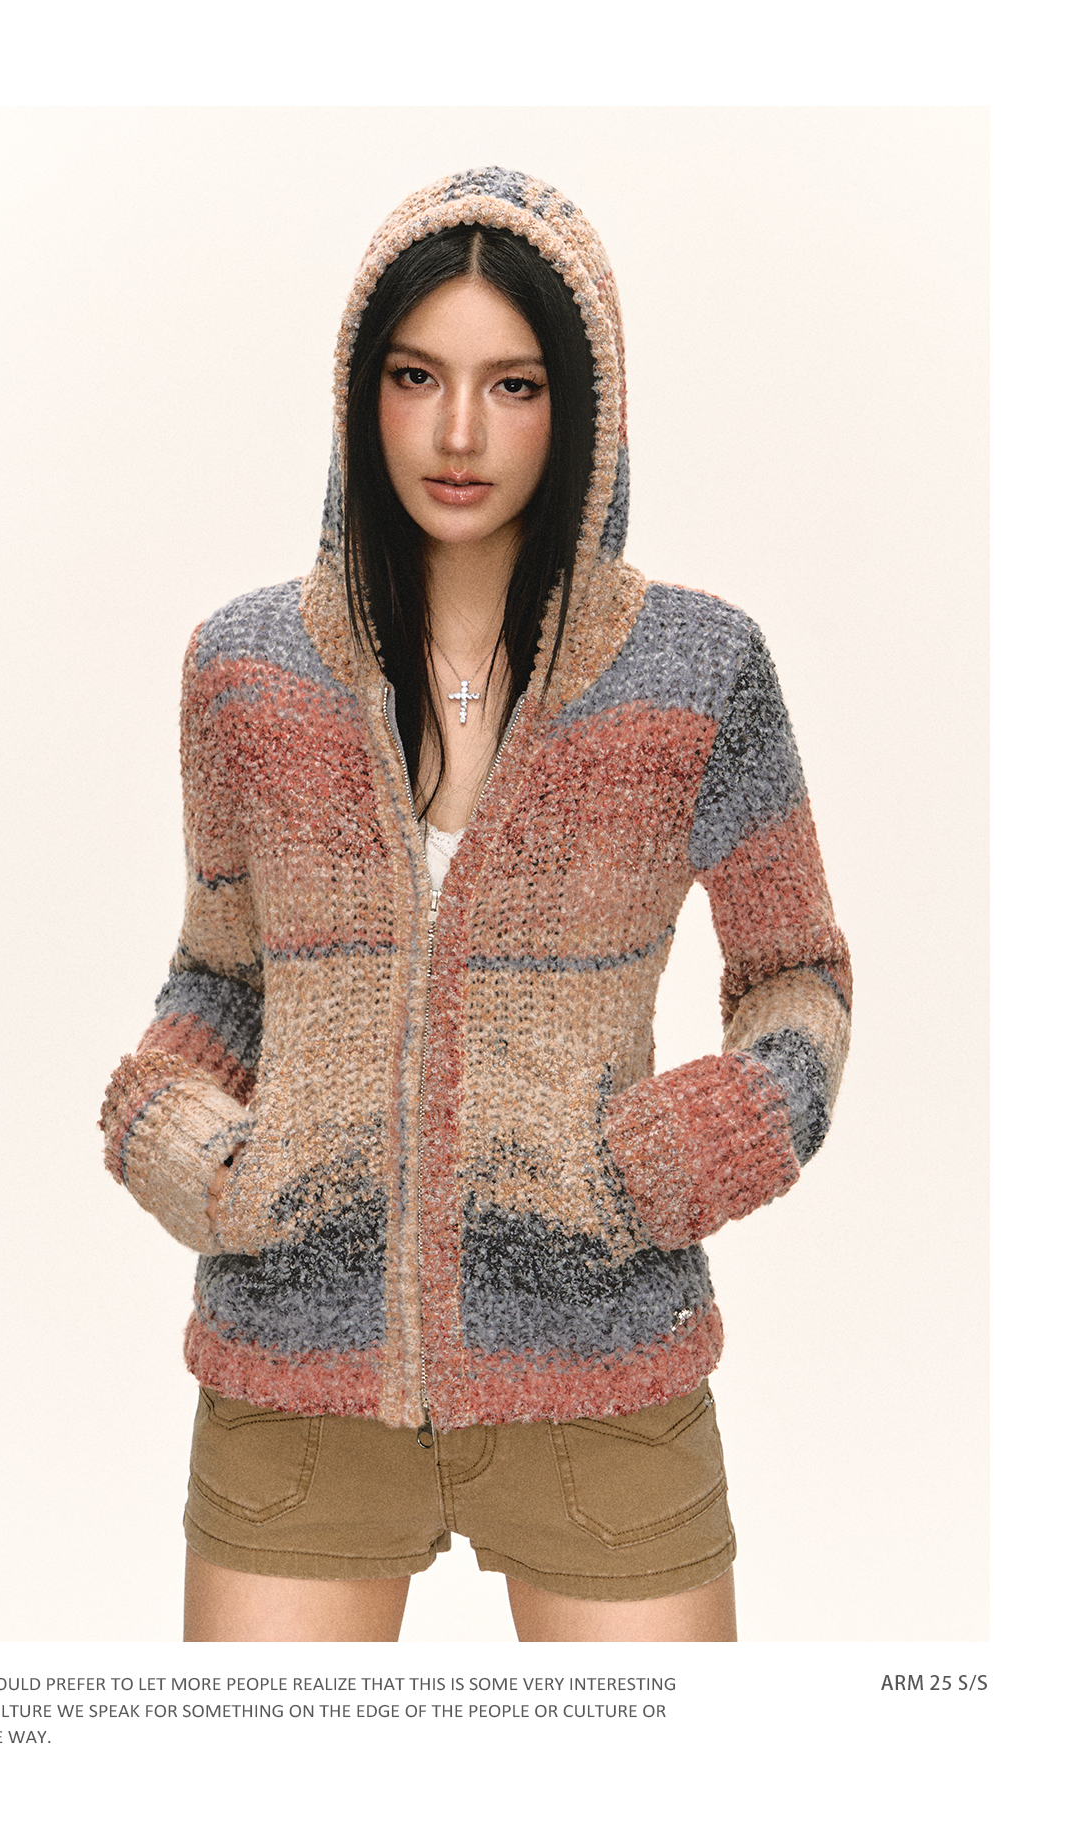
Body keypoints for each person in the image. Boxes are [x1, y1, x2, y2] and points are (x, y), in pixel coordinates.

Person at [100, 167, 851, 1645]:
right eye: (415, 378)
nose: (458, 433)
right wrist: (178, 1133)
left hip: (607, 1386)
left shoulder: (696, 671)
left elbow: (798, 977)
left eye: (513, 385)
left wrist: (690, 1147)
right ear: (358, 394)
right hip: (292, 1391)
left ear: (585, 407)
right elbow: (224, 975)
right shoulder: (246, 669)